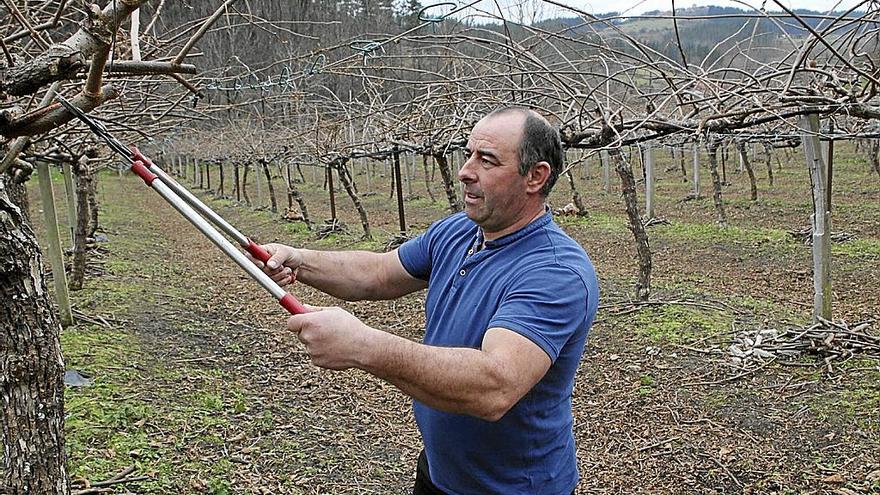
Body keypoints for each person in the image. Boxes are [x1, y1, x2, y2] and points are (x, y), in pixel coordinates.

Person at [253, 106, 599, 495]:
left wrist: (364, 346)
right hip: (439, 473)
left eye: (487, 160)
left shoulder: (555, 272)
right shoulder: (459, 231)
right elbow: (378, 273)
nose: (466, 170)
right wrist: (300, 259)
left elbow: (494, 386)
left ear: (535, 176)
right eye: (468, 154)